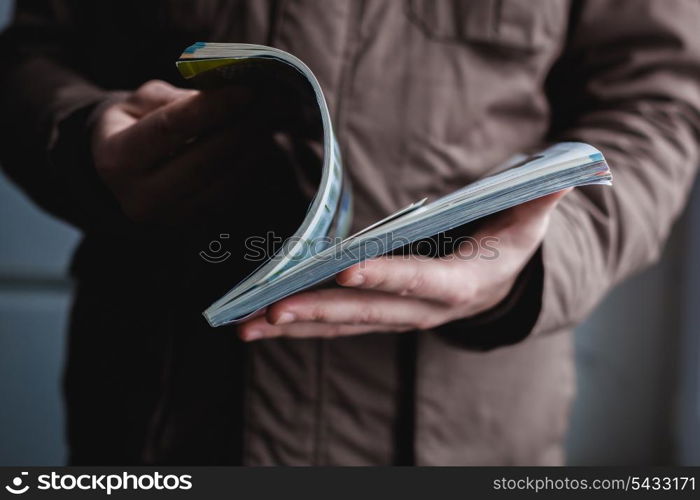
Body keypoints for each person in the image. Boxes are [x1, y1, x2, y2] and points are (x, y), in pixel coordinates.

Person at [1, 0, 699, 465]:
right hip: (158, 420)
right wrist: (83, 137)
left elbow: (661, 101)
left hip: (468, 433)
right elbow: (31, 53)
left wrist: (543, 256)